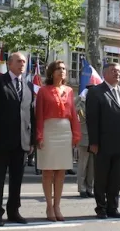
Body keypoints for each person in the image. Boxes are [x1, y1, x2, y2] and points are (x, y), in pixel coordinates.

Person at [0, 52, 35, 227]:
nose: (22, 64)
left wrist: (32, 140)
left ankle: (14, 211)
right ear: (9, 63)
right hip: (1, 140)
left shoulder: (28, 85)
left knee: (17, 179)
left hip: (21, 141)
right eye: (19, 61)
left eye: (24, 62)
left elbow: (31, 115)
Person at [86, 62, 120, 219]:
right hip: (103, 143)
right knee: (101, 178)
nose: (117, 74)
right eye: (114, 71)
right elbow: (92, 120)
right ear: (105, 73)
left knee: (116, 179)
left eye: (119, 71)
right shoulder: (95, 92)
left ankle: (113, 207)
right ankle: (101, 207)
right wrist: (93, 142)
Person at [35, 60, 81, 221]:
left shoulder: (69, 91)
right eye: (58, 69)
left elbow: (74, 115)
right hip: (49, 130)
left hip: (65, 131)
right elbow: (39, 115)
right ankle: (49, 206)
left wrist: (76, 134)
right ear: (51, 72)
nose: (62, 71)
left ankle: (57, 206)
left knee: (61, 171)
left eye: (64, 68)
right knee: (48, 170)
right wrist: (39, 135)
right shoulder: (43, 91)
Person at [75, 85, 95, 199]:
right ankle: (81, 188)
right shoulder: (81, 104)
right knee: (83, 165)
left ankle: (89, 188)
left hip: (94, 139)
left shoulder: (96, 104)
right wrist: (80, 97)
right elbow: (72, 108)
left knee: (92, 166)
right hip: (84, 138)